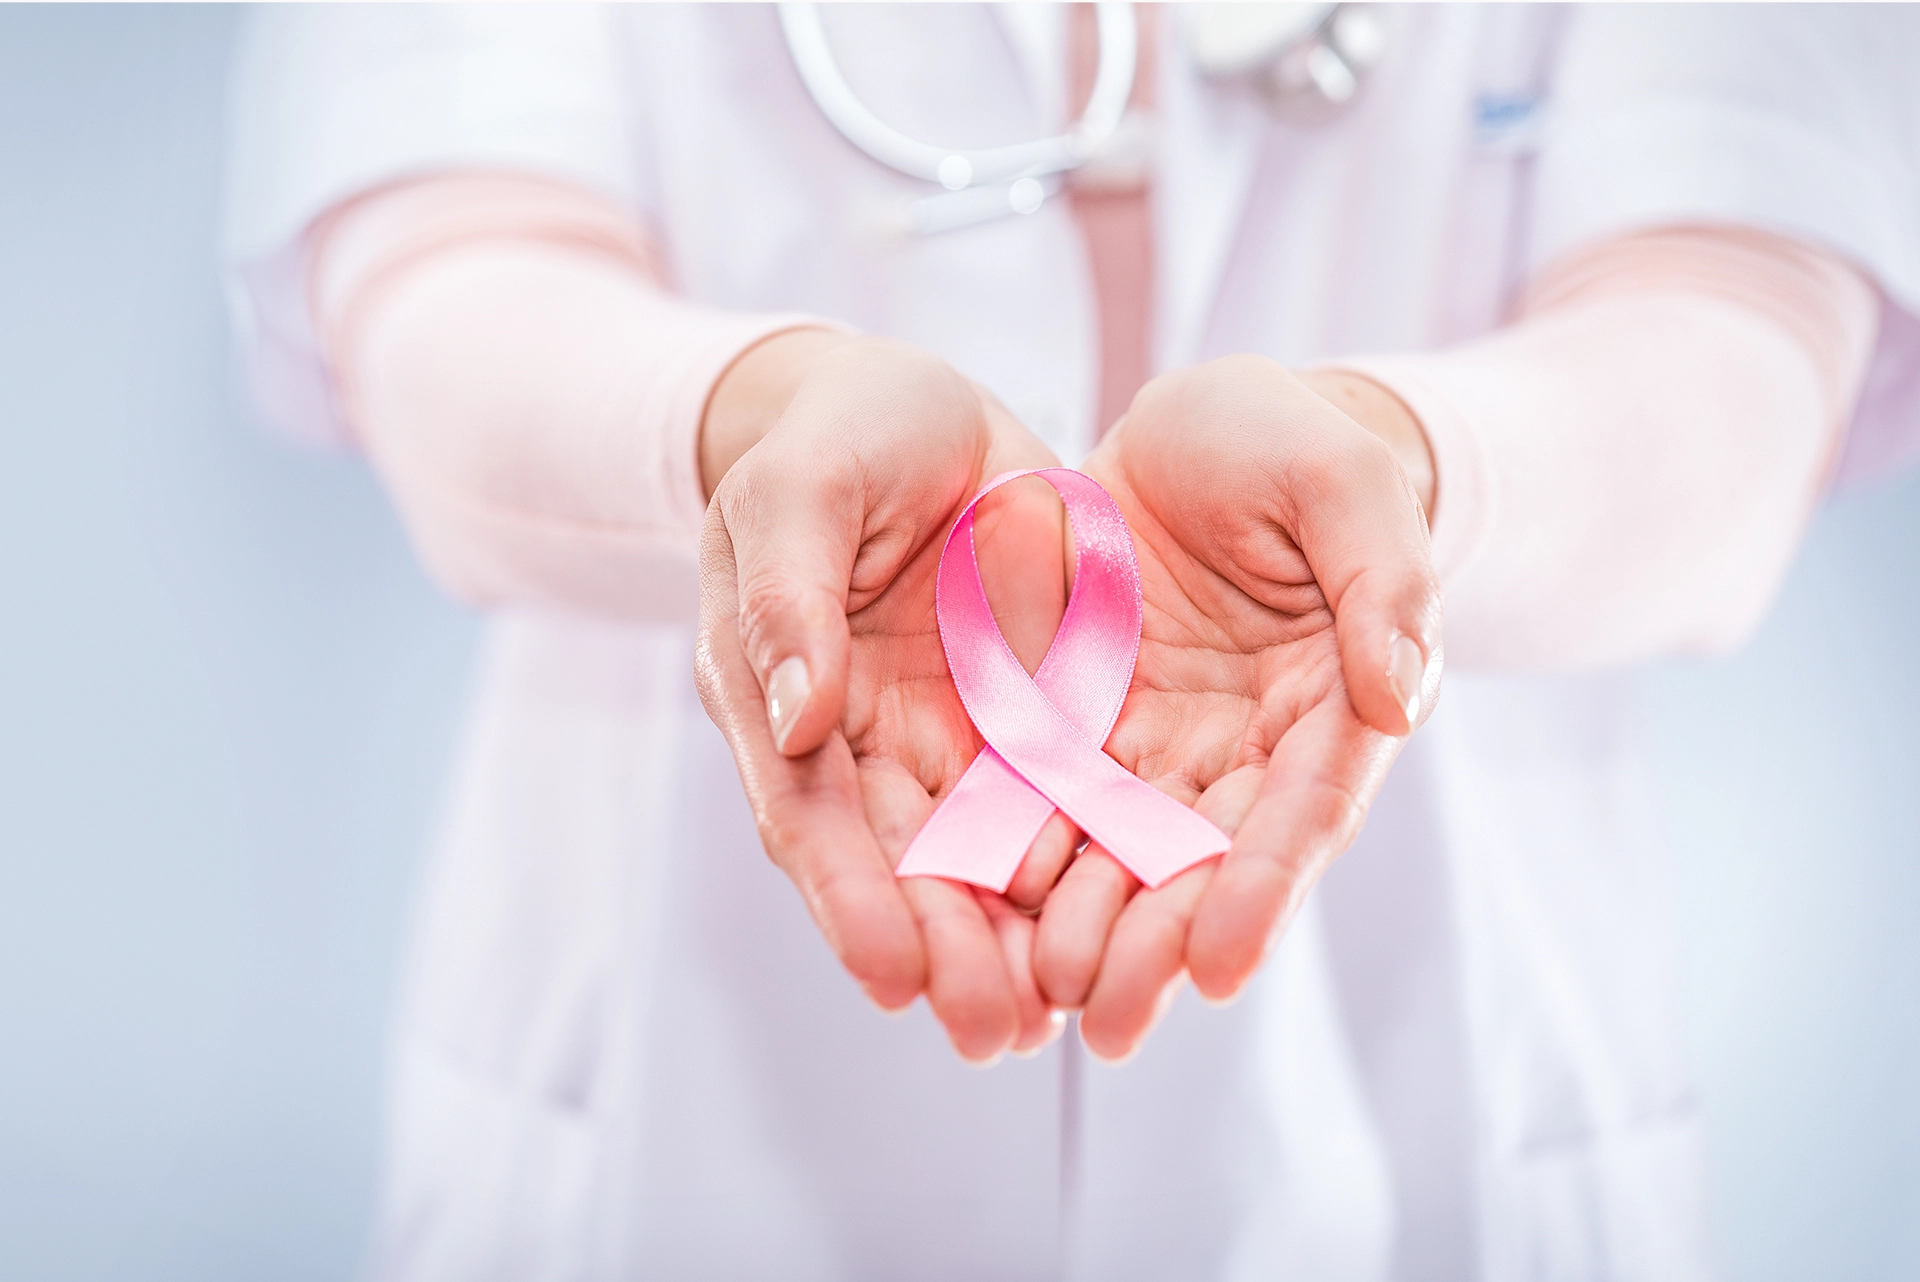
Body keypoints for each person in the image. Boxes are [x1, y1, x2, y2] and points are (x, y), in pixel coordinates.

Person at [222, 5, 1920, 1278]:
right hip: (672, 1114)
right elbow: (445, 275)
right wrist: (744, 423)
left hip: (1438, 1117)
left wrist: (1397, 464)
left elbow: (1743, 333)